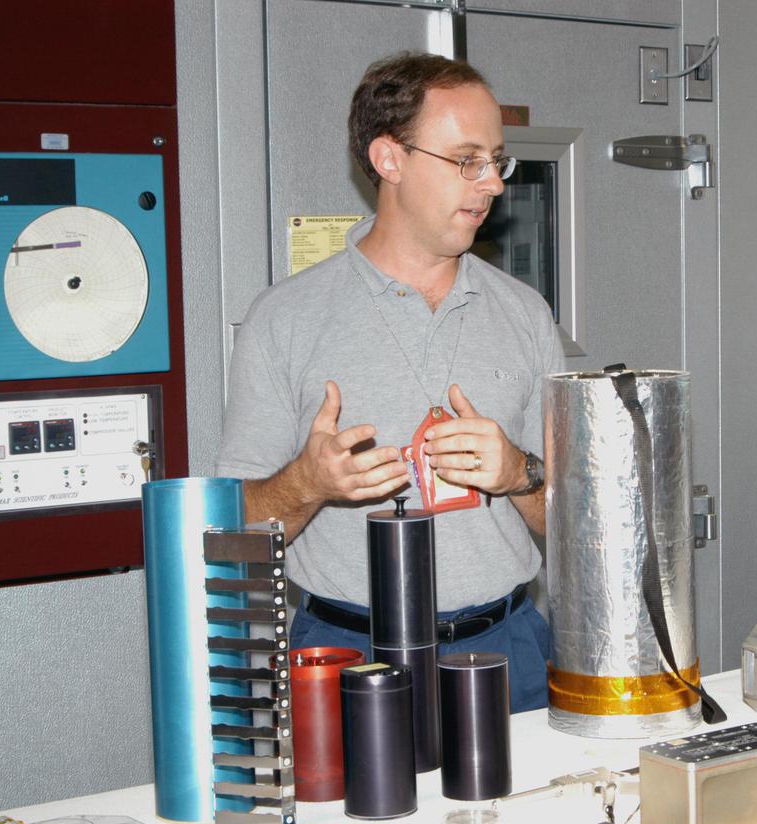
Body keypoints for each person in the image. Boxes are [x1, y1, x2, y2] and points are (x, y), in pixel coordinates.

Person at [215, 52, 564, 712]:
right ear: (389, 159)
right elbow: (235, 534)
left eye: (497, 160)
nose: (493, 183)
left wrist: (520, 473)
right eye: (466, 160)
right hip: (346, 661)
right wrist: (307, 482)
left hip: (509, 650)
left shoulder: (526, 313)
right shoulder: (283, 319)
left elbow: (577, 523)